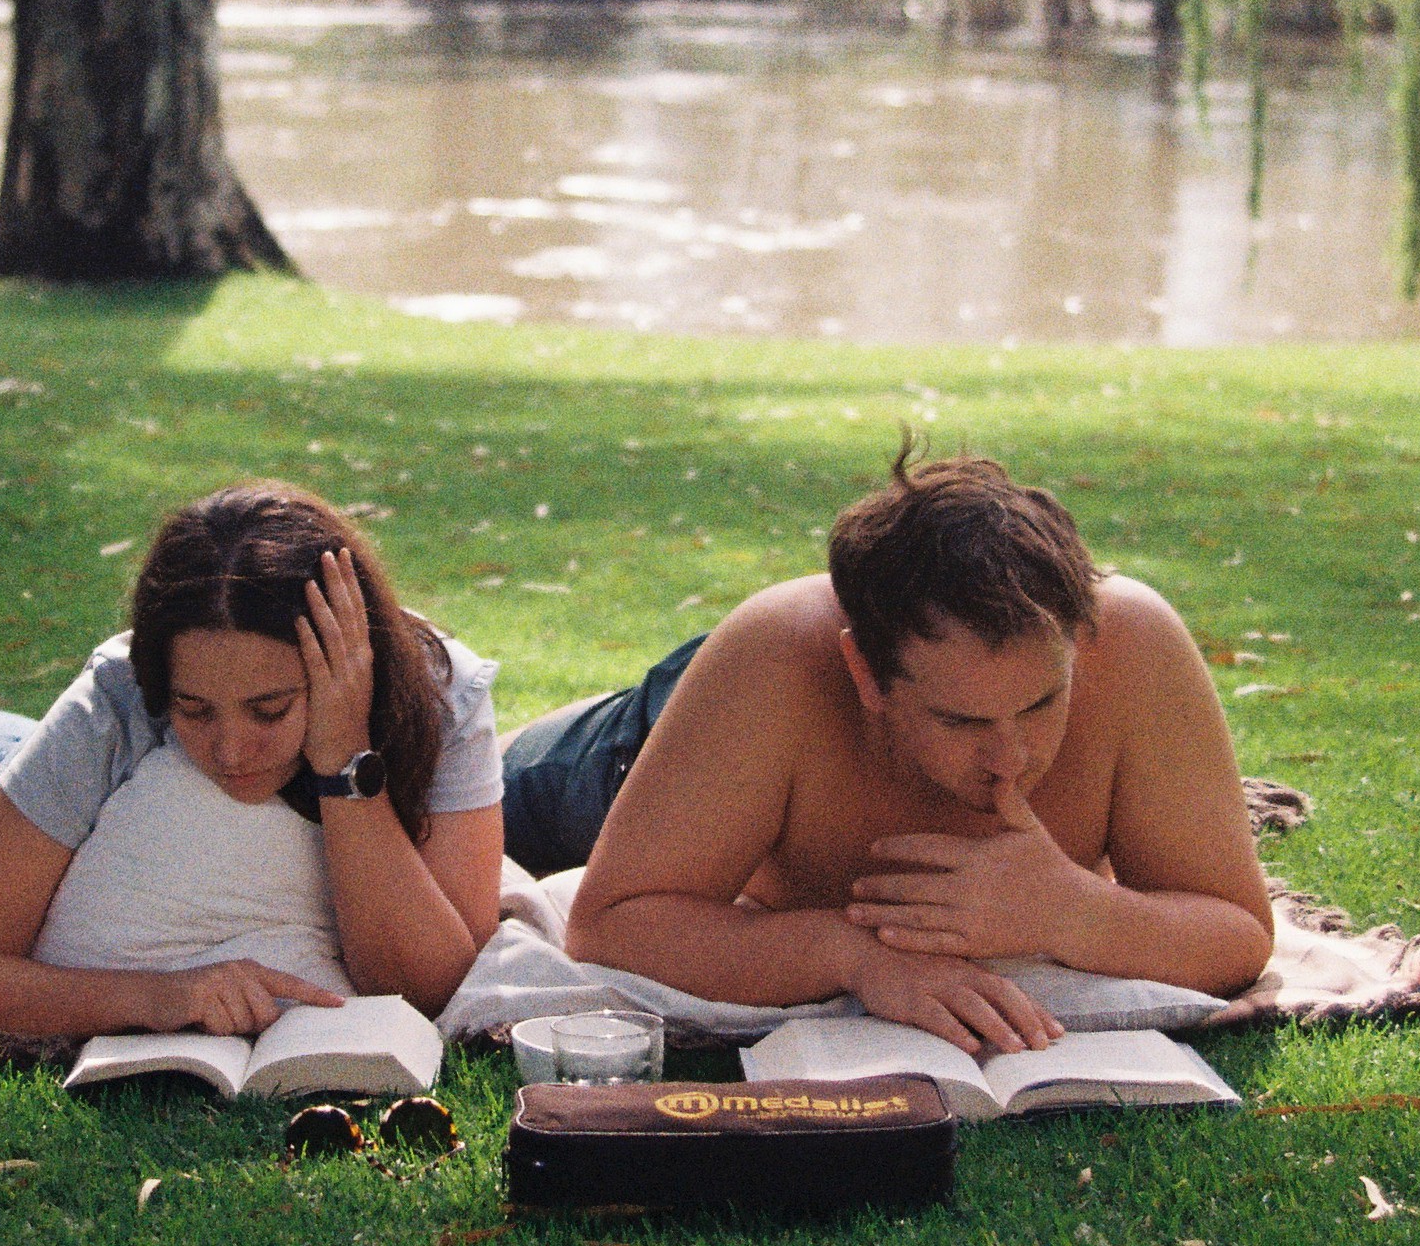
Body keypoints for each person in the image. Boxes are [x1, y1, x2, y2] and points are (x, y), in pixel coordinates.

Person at [524, 450, 1276, 1054]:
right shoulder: (773, 661)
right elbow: (608, 925)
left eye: (1041, 704)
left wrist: (1074, 912)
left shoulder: (1135, 644)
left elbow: (1238, 934)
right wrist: (853, 956)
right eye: (959, 720)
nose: (1010, 759)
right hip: (624, 754)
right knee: (471, 791)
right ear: (864, 674)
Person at [0, 481, 506, 1039]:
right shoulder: (118, 697)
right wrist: (160, 996)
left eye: (269, 709)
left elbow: (434, 989)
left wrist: (344, 759)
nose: (231, 752)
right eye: (194, 710)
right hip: (47, 771)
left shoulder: (444, 695)